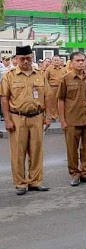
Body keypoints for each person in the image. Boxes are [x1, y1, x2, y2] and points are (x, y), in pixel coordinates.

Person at [1, 45, 52, 195]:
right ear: (16, 59)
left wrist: (48, 116)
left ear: (32, 58)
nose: (25, 61)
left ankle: (35, 181)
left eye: (28, 58)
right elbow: (4, 99)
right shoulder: (9, 76)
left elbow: (48, 96)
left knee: (36, 151)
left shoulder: (40, 75)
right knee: (18, 152)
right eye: (22, 58)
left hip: (37, 117)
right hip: (17, 118)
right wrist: (7, 120)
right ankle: (20, 183)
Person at [58, 51, 86, 186]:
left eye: (83, 60)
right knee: (72, 149)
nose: (81, 63)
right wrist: (63, 120)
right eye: (78, 61)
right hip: (72, 119)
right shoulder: (66, 79)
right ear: (71, 63)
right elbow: (61, 100)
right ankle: (75, 174)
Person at [44, 55, 67, 121]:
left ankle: (61, 116)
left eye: (58, 60)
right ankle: (53, 116)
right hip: (52, 88)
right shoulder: (49, 69)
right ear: (52, 61)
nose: (56, 62)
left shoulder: (64, 69)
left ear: (60, 61)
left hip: (62, 87)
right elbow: (45, 79)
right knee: (53, 102)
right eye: (55, 60)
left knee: (61, 101)